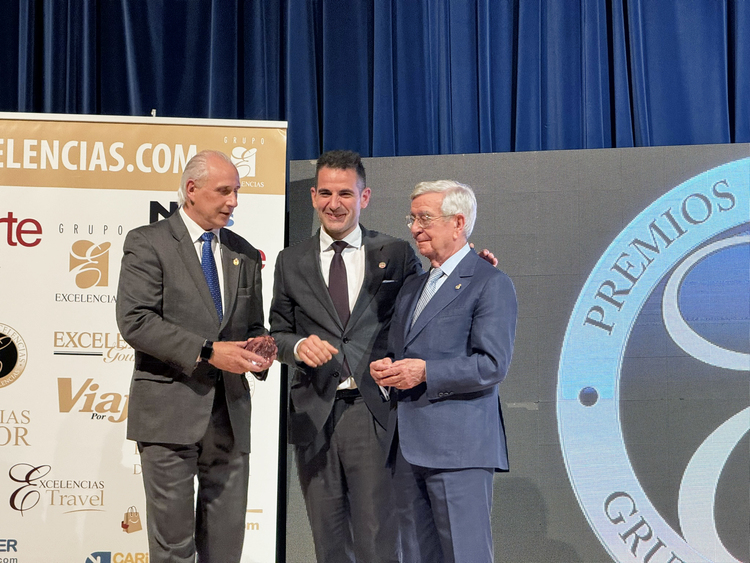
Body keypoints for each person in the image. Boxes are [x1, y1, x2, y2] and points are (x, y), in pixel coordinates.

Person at [116, 150, 275, 563]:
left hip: (231, 416)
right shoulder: (147, 242)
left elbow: (252, 325)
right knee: (173, 548)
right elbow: (135, 321)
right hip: (169, 414)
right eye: (224, 191)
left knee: (225, 548)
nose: (234, 201)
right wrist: (207, 351)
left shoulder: (244, 251)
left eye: (237, 191)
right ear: (191, 190)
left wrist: (260, 348)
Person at [269, 150, 417, 562]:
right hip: (314, 415)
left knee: (378, 537)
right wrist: (297, 346)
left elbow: (428, 308)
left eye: (346, 194)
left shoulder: (396, 252)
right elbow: (276, 332)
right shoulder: (290, 260)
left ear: (364, 197)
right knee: (328, 541)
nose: (335, 203)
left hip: (373, 412)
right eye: (327, 193)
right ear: (314, 196)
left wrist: (467, 268)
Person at [370, 180, 517, 563]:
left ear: (458, 222)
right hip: (407, 448)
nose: (415, 227)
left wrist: (425, 373)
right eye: (412, 218)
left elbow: (492, 364)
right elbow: (401, 350)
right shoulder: (412, 287)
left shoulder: (490, 283)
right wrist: (387, 370)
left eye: (425, 218)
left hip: (459, 451)